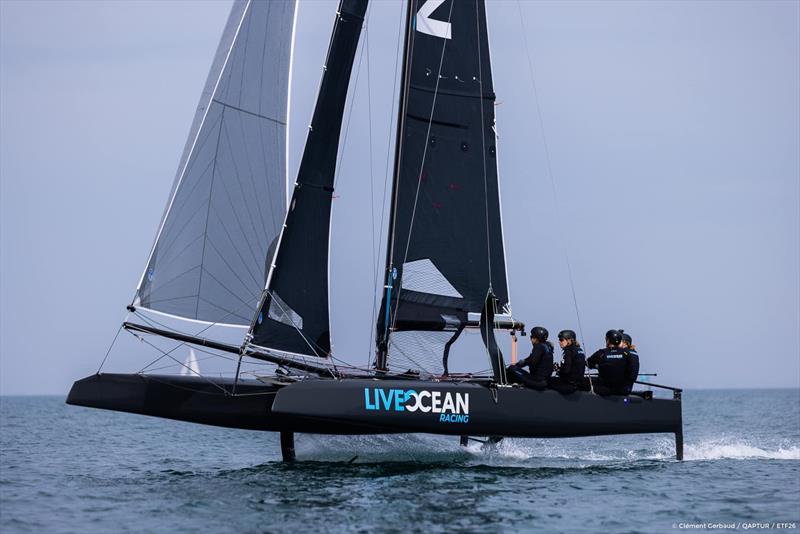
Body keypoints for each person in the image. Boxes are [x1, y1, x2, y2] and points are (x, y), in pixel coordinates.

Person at [587, 329, 634, 396]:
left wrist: (597, 366)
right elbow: (630, 371)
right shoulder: (626, 353)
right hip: (622, 390)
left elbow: (588, 363)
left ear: (608, 340)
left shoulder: (602, 353)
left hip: (605, 389)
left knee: (583, 383)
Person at [507, 326, 553, 391]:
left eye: (532, 337)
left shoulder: (539, 347)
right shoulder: (547, 347)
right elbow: (531, 359)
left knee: (512, 369)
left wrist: (521, 363)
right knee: (515, 368)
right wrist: (521, 363)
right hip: (544, 381)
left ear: (536, 338)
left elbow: (532, 361)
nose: (531, 339)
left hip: (537, 382)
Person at [548, 329, 587, 394]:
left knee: (547, 382)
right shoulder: (580, 350)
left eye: (561, 340)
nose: (559, 342)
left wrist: (558, 370)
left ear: (569, 340)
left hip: (569, 385)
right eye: (559, 340)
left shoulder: (568, 351)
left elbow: (566, 371)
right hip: (578, 384)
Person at [618, 329, 640, 394]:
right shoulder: (633, 353)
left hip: (620, 387)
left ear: (625, 343)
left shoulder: (623, 353)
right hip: (628, 386)